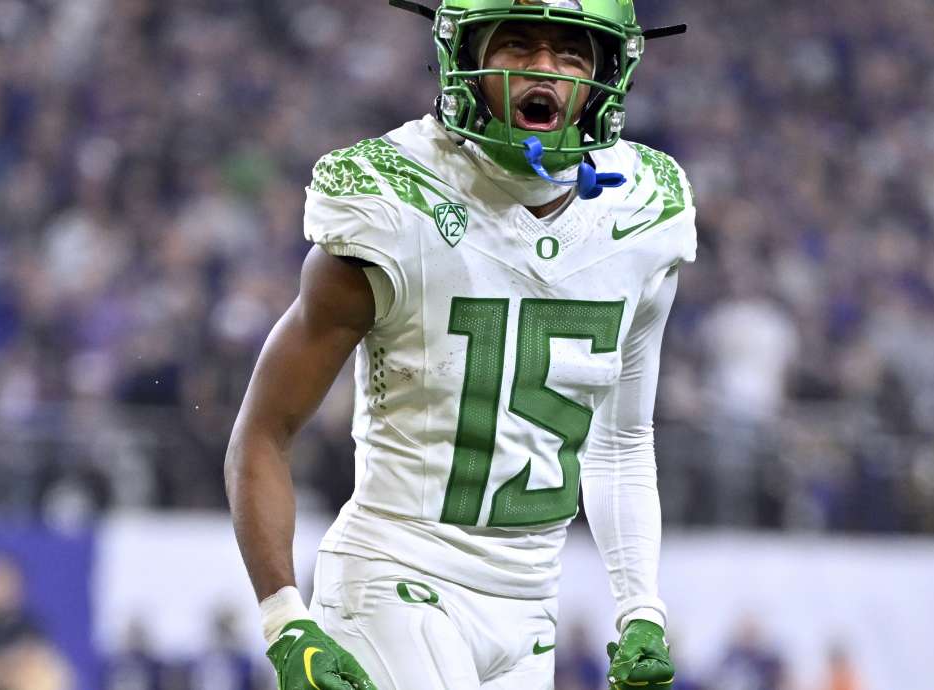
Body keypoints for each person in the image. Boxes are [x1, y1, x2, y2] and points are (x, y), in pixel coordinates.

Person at [224, 1, 692, 689]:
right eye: (518, 45)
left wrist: (641, 606)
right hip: (397, 577)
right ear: (464, 58)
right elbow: (263, 432)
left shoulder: (644, 212)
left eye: (571, 52)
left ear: (605, 74)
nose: (545, 71)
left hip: (532, 605)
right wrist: (285, 621)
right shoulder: (395, 197)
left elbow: (620, 439)